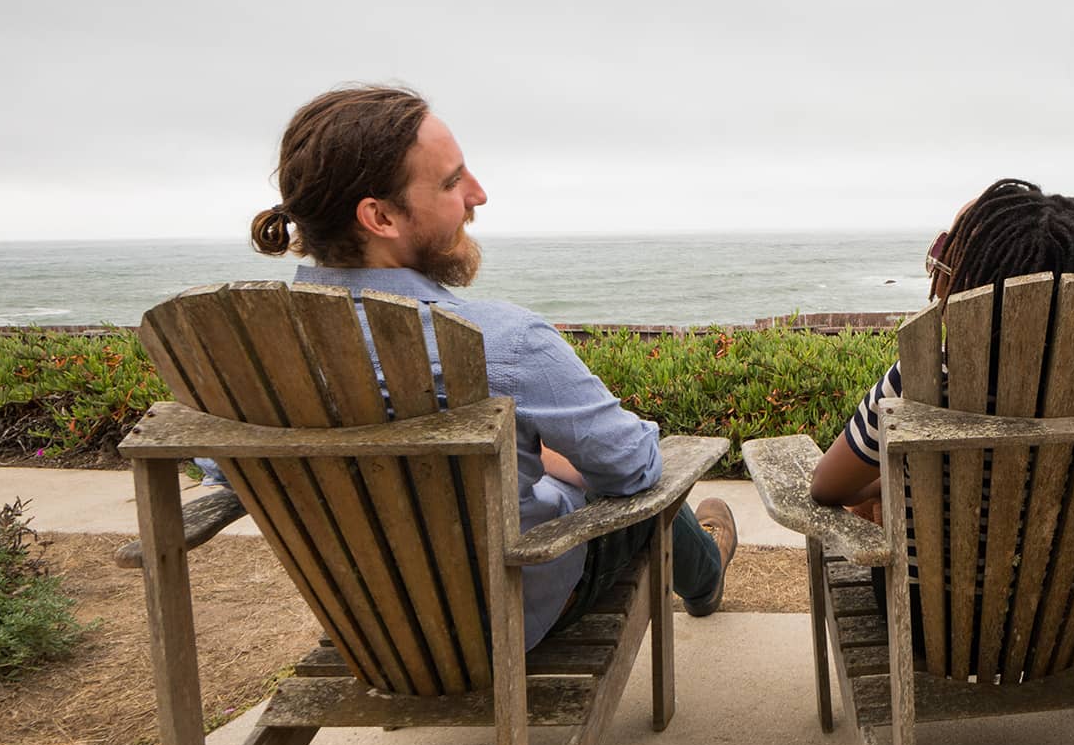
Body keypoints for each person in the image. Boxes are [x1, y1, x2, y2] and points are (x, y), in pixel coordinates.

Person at [234, 85, 734, 651]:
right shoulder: (499, 341)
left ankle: (703, 567)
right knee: (643, 490)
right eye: (451, 182)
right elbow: (633, 469)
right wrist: (567, 463)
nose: (479, 194)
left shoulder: (247, 355)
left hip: (372, 626)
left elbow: (222, 467)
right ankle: (707, 576)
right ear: (379, 217)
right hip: (506, 611)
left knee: (559, 468)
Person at [809, 178, 1074, 637]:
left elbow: (828, 487)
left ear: (964, 280)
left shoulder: (922, 380)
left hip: (930, 628)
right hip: (1062, 621)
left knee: (878, 504)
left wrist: (887, 487)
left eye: (948, 250)